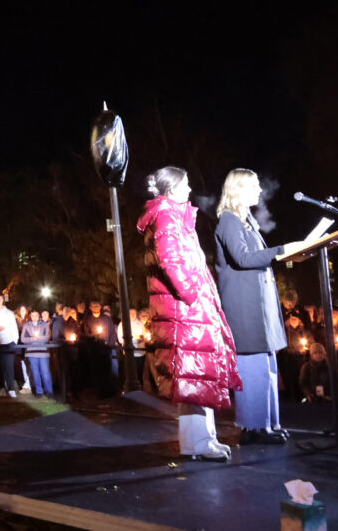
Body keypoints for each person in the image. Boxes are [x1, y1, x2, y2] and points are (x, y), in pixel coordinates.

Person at [136, 166, 241, 462]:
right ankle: (198, 443)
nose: (190, 189)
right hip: (184, 310)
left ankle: (203, 441)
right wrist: (191, 294)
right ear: (171, 189)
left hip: (187, 309)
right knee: (194, 376)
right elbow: (169, 258)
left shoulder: (174, 213)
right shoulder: (168, 213)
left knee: (198, 376)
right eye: (185, 184)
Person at [213, 168, 300, 445]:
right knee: (252, 368)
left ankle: (268, 423)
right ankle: (252, 428)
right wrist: (282, 250)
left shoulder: (245, 220)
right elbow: (243, 258)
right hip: (244, 308)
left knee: (266, 367)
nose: (260, 191)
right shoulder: (228, 221)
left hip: (257, 306)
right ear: (238, 188)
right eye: (254, 186)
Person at [21, 309, 54, 398]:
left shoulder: (44, 324)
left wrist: (36, 339)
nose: (34, 318)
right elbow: (23, 339)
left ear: (39, 315)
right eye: (33, 316)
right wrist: (32, 339)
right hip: (31, 353)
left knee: (45, 372)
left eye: (36, 316)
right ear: (30, 316)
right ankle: (39, 391)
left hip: (43, 352)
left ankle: (49, 391)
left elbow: (46, 337)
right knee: (35, 372)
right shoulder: (26, 326)